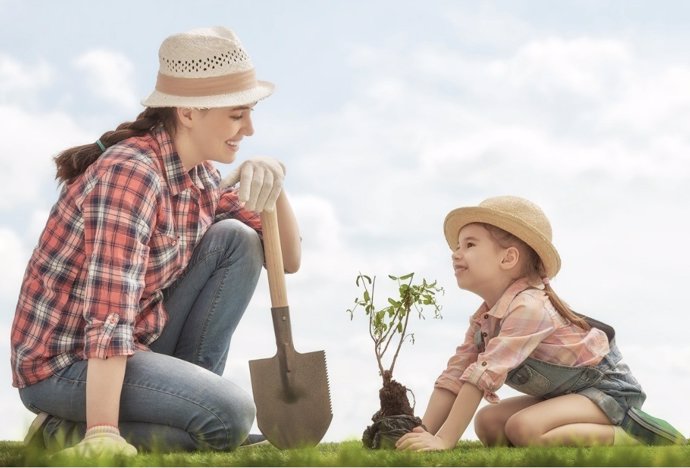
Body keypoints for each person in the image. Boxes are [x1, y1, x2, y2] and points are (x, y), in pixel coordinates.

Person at [10, 26, 301, 457]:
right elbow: (110, 312)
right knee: (233, 415)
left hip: (133, 346)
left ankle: (194, 415)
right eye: (238, 115)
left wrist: (275, 184)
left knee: (238, 241)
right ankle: (69, 432)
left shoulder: (199, 175)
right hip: (65, 366)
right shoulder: (132, 173)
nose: (250, 129)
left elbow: (288, 260)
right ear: (187, 112)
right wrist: (103, 433)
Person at [396, 195, 682, 451]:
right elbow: (456, 374)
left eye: (469, 244)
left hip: (608, 393)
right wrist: (426, 431)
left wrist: (445, 440)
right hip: (568, 395)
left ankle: (634, 437)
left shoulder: (530, 306)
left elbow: (482, 374)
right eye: (457, 246)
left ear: (508, 258)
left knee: (524, 429)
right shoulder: (485, 318)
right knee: (489, 423)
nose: (456, 253)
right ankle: (565, 427)